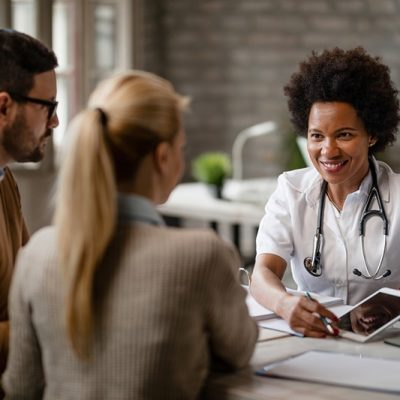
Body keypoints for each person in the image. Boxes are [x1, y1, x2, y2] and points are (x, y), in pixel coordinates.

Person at [3, 70, 258, 399]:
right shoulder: (201, 255)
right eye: (181, 148)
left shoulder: (38, 253)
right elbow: (239, 350)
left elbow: (21, 388)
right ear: (162, 157)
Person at [250, 47, 400, 338]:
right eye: (317, 135)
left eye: (344, 134)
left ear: (372, 135)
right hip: (314, 341)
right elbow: (262, 273)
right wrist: (284, 303)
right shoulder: (291, 191)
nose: (328, 150)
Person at [0, 29, 58, 374]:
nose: (55, 121)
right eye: (47, 106)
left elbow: (27, 284)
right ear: (4, 106)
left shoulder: (6, 182)